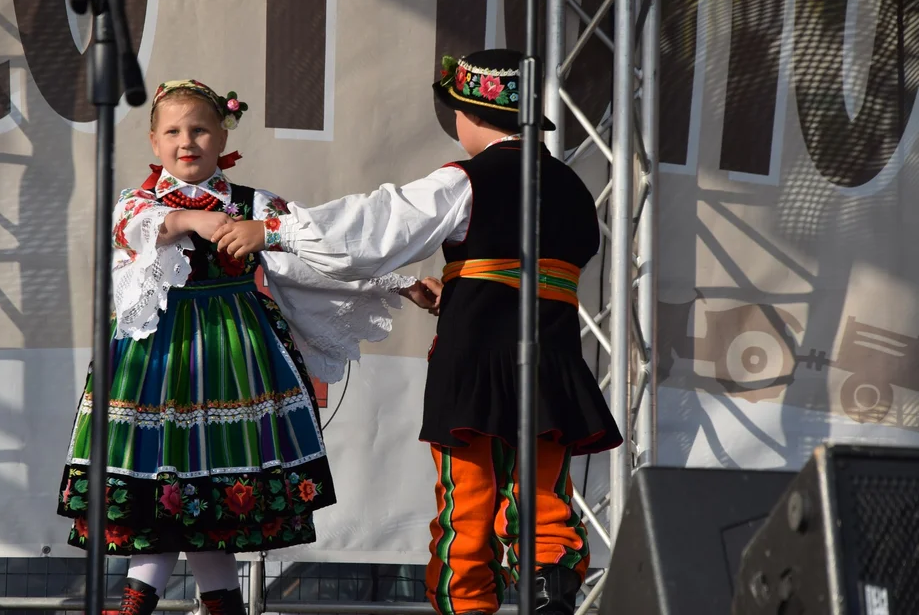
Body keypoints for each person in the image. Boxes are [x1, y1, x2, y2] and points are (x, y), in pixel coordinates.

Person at [213, 50, 624, 615]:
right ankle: (550, 576)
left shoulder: (465, 180)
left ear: (467, 114)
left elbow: (376, 227)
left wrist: (275, 230)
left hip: (475, 360)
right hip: (550, 362)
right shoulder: (575, 188)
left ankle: (467, 606)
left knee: (468, 500)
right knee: (544, 489)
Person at [57, 80, 432, 615]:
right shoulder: (138, 202)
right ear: (153, 141)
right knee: (160, 501)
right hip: (154, 367)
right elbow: (132, 227)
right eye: (173, 132)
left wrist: (396, 282)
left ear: (221, 135)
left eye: (200, 129)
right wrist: (190, 218)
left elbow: (317, 255)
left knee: (213, 516)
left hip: (233, 361)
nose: (187, 142)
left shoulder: (254, 206)